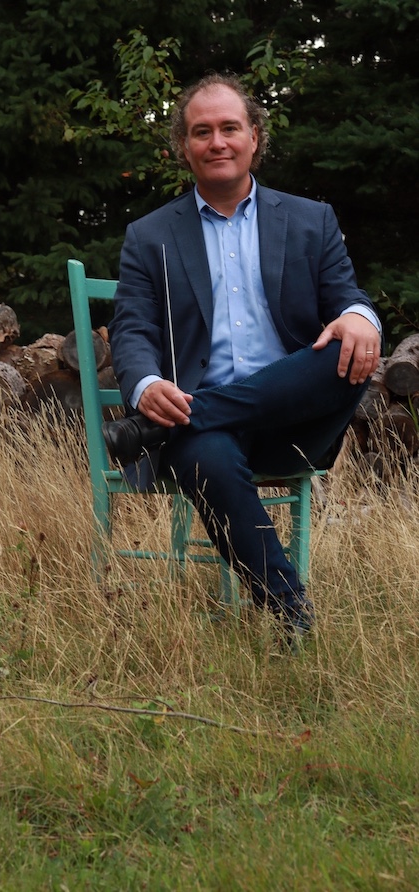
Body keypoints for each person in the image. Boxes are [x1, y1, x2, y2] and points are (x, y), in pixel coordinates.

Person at [102, 73, 381, 647]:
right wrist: (147, 384)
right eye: (201, 132)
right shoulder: (149, 236)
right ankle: (291, 613)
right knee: (207, 452)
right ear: (184, 147)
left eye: (230, 128)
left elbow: (347, 297)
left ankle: (178, 423)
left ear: (254, 136)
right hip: (204, 439)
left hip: (290, 426)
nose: (217, 142)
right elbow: (132, 328)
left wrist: (359, 316)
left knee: (344, 350)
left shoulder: (311, 220)